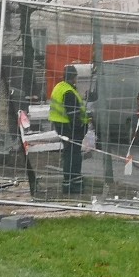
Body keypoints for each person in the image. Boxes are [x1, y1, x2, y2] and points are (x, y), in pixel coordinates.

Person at [49, 65, 89, 195]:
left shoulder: (59, 87)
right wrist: (82, 128)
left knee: (69, 155)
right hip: (71, 129)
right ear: (74, 77)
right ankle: (73, 184)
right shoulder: (69, 92)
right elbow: (74, 114)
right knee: (74, 156)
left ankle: (69, 183)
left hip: (61, 127)